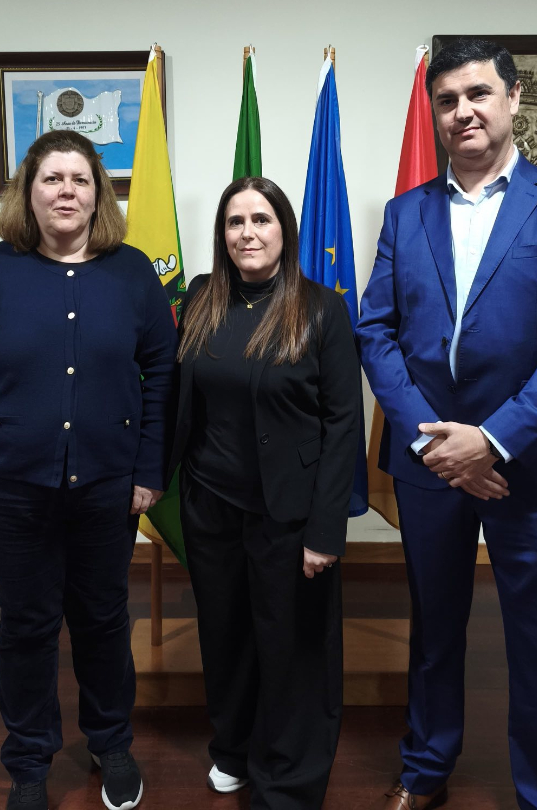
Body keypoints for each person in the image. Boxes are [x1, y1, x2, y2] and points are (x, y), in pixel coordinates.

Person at [356, 39, 537, 810]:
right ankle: (425, 770)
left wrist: (492, 440)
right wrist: (434, 442)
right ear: (433, 112)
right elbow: (376, 332)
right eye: (447, 100)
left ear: (513, 97)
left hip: (530, 468)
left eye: (477, 94)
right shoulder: (406, 214)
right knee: (434, 631)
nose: (462, 111)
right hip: (430, 464)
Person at [0, 130, 178, 810]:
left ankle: (111, 742)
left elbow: (162, 372)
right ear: (28, 193)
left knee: (103, 619)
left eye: (80, 179)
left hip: (107, 486)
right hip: (10, 489)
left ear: (99, 194)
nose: (66, 191)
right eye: (51, 179)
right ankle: (30, 763)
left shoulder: (133, 273)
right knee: (28, 624)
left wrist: (149, 469)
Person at [169, 176, 361, 809]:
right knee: (225, 636)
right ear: (222, 234)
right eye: (235, 222)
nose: (247, 233)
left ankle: (287, 780)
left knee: (291, 649)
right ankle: (233, 748)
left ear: (285, 230)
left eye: (261, 219)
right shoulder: (202, 298)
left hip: (290, 514)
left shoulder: (321, 309)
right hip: (210, 506)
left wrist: (325, 530)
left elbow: (343, 424)